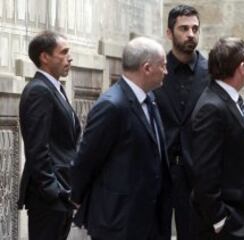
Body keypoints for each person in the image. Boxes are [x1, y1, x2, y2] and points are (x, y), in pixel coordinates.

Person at [71, 37, 170, 240]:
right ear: (147, 68)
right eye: (163, 66)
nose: (166, 72)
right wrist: (76, 198)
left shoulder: (150, 98)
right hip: (119, 221)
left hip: (150, 218)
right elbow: (87, 159)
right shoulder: (112, 105)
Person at [191, 37, 244, 240]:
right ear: (242, 66)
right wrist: (220, 220)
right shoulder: (212, 106)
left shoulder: (233, 99)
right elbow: (205, 172)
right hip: (230, 224)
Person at [18, 30, 81, 240]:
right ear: (44, 57)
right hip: (48, 200)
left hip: (62, 196)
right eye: (63, 52)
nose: (69, 57)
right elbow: (37, 150)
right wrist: (54, 192)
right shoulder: (39, 91)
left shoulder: (54, 88)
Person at [154, 5, 210, 240]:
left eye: (195, 29)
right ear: (169, 33)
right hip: (160, 171)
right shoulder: (154, 69)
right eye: (184, 28)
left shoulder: (212, 72)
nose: (191, 34)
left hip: (197, 174)